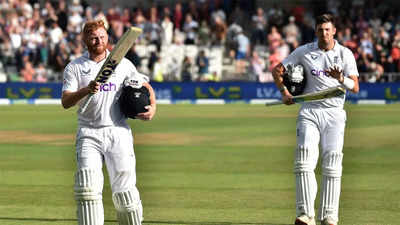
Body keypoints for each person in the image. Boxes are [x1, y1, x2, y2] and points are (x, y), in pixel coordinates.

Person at [61, 20, 156, 225]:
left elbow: (145, 85)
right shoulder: (75, 67)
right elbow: (66, 102)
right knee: (87, 189)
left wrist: (153, 108)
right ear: (85, 39)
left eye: (103, 36)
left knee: (125, 195)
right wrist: (86, 89)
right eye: (94, 37)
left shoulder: (122, 63)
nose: (99, 40)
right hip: (88, 132)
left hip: (118, 131)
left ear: (108, 38)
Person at [272, 14, 359, 225]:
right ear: (316, 31)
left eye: (328, 30)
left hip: (334, 113)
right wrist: (285, 92)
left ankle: (329, 217)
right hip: (309, 111)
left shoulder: (345, 54)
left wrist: (340, 78)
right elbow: (277, 70)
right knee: (303, 161)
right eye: (320, 30)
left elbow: (355, 87)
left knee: (332, 164)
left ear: (334, 31)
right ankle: (305, 215)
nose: (324, 33)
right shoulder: (304, 51)